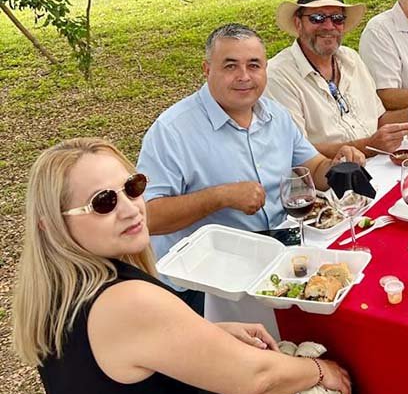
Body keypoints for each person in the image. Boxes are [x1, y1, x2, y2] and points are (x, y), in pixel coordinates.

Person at [12, 139, 355, 394]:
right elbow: (257, 378)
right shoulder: (126, 301)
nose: (129, 208)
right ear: (52, 223)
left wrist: (209, 334)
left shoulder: (58, 292)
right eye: (103, 202)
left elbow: (133, 359)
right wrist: (321, 370)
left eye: (133, 187)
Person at [138, 24, 364, 288]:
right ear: (207, 69)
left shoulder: (275, 115)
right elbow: (149, 217)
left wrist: (338, 166)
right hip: (208, 280)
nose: (244, 76)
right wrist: (219, 197)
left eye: (254, 65)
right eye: (230, 66)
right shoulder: (172, 131)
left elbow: (314, 169)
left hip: (280, 254)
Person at [266, 0, 408, 156]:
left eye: (337, 18)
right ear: (298, 23)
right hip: (330, 182)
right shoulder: (279, 75)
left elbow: (379, 119)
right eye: (317, 18)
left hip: (380, 168)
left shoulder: (350, 59)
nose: (329, 26)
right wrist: (367, 146)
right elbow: (297, 150)